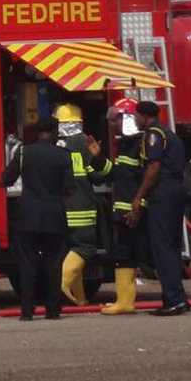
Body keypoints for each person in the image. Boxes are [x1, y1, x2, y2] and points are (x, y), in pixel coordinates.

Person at [0, 115, 73, 320]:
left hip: (28, 216)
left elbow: (6, 179)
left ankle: (27, 311)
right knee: (53, 263)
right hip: (54, 216)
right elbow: (69, 188)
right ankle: (52, 309)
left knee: (27, 264)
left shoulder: (23, 152)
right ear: (55, 131)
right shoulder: (63, 155)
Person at [128, 100, 190, 316]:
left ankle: (173, 300)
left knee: (163, 249)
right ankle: (178, 298)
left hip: (164, 194)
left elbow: (154, 167)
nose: (134, 119)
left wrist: (138, 198)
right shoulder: (169, 134)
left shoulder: (153, 135)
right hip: (175, 191)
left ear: (144, 116)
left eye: (135, 115)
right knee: (171, 248)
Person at [54, 103, 111, 305]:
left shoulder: (56, 146)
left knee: (72, 250)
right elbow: (101, 176)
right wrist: (100, 156)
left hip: (63, 208)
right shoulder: (85, 143)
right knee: (85, 247)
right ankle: (61, 283)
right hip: (83, 207)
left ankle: (81, 299)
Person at [101, 98, 150, 315]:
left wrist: (138, 206)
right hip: (123, 210)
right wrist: (96, 158)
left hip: (132, 210)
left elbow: (146, 180)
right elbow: (116, 176)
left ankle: (172, 297)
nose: (112, 125)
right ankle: (125, 301)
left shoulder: (140, 145)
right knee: (124, 254)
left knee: (143, 254)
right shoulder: (126, 145)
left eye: (115, 120)